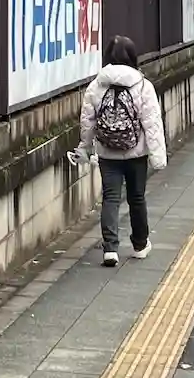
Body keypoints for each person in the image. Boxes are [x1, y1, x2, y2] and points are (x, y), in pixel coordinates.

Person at [70, 36, 167, 268]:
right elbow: (152, 124)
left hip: (107, 152)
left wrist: (85, 147)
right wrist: (158, 157)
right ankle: (140, 245)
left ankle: (110, 249)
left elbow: (87, 122)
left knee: (111, 198)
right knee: (136, 197)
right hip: (136, 153)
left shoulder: (96, 86)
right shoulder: (142, 85)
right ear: (132, 57)